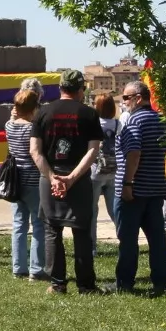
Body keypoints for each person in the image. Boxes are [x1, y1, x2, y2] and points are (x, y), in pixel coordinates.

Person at [29, 69, 104, 294]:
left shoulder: (43, 113)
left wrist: (52, 178)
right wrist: (71, 178)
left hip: (49, 178)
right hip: (78, 179)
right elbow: (93, 151)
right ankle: (86, 285)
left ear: (60, 88)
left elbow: (35, 150)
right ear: (80, 89)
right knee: (81, 231)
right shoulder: (89, 114)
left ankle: (58, 284)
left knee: (52, 230)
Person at [114, 81, 166, 295]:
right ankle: (160, 282)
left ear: (139, 98)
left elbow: (134, 153)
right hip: (156, 188)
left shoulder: (133, 121)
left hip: (134, 190)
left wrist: (128, 183)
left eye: (126, 98)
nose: (124, 102)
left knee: (128, 239)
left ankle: (125, 283)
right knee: (157, 239)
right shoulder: (164, 120)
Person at [4, 87, 47, 279]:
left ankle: (18, 267)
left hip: (16, 180)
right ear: (34, 108)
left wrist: (14, 115)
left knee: (19, 224)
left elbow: (12, 121)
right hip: (34, 179)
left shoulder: (9, 126)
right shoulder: (34, 128)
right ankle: (37, 269)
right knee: (38, 225)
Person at [91, 92, 120, 236]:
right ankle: (124, 238)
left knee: (92, 210)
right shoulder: (117, 124)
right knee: (114, 209)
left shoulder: (93, 124)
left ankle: (92, 246)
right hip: (113, 170)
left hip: (95, 171)